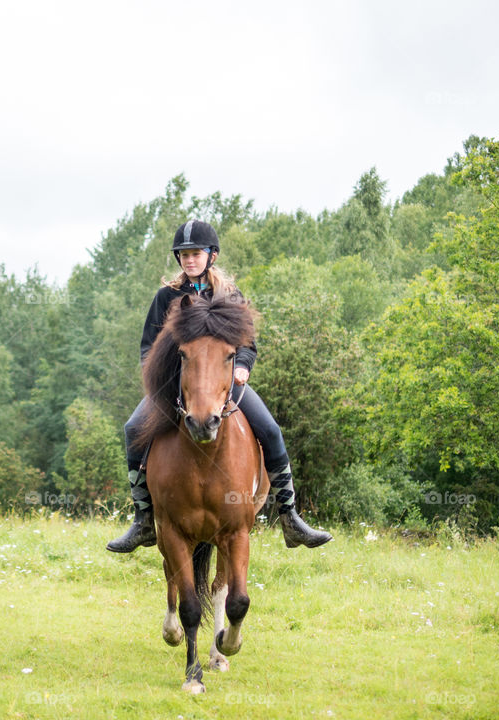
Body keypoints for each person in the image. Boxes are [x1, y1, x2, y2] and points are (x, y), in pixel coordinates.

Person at [106, 220, 331, 552]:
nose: (189, 260)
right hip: (176, 389)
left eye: (195, 253)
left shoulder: (229, 295)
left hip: (226, 387)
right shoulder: (166, 297)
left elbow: (247, 344)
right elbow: (147, 348)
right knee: (132, 427)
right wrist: (159, 382)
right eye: (183, 255)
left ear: (211, 256)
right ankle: (142, 520)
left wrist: (241, 367)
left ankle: (290, 517)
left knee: (269, 429)